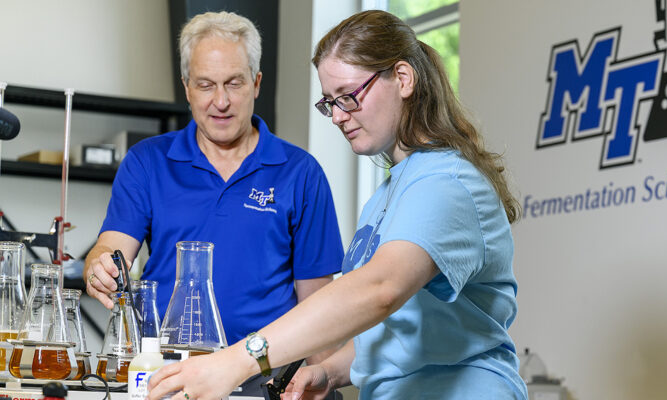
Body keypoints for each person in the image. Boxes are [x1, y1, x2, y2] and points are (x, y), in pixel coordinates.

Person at [147, 9, 528, 400]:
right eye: (330, 103)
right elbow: (402, 333)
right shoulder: (389, 193)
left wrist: (236, 361)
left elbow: (380, 288)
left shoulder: (446, 181)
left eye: (348, 97)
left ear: (402, 78)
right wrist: (327, 371)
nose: (338, 117)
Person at [83, 10, 344, 385]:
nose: (220, 101)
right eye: (206, 85)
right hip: (166, 374)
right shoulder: (147, 161)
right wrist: (99, 268)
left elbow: (319, 307)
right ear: (187, 87)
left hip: (265, 377)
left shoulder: (301, 173)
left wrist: (325, 381)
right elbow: (111, 249)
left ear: (256, 83)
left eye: (233, 83)